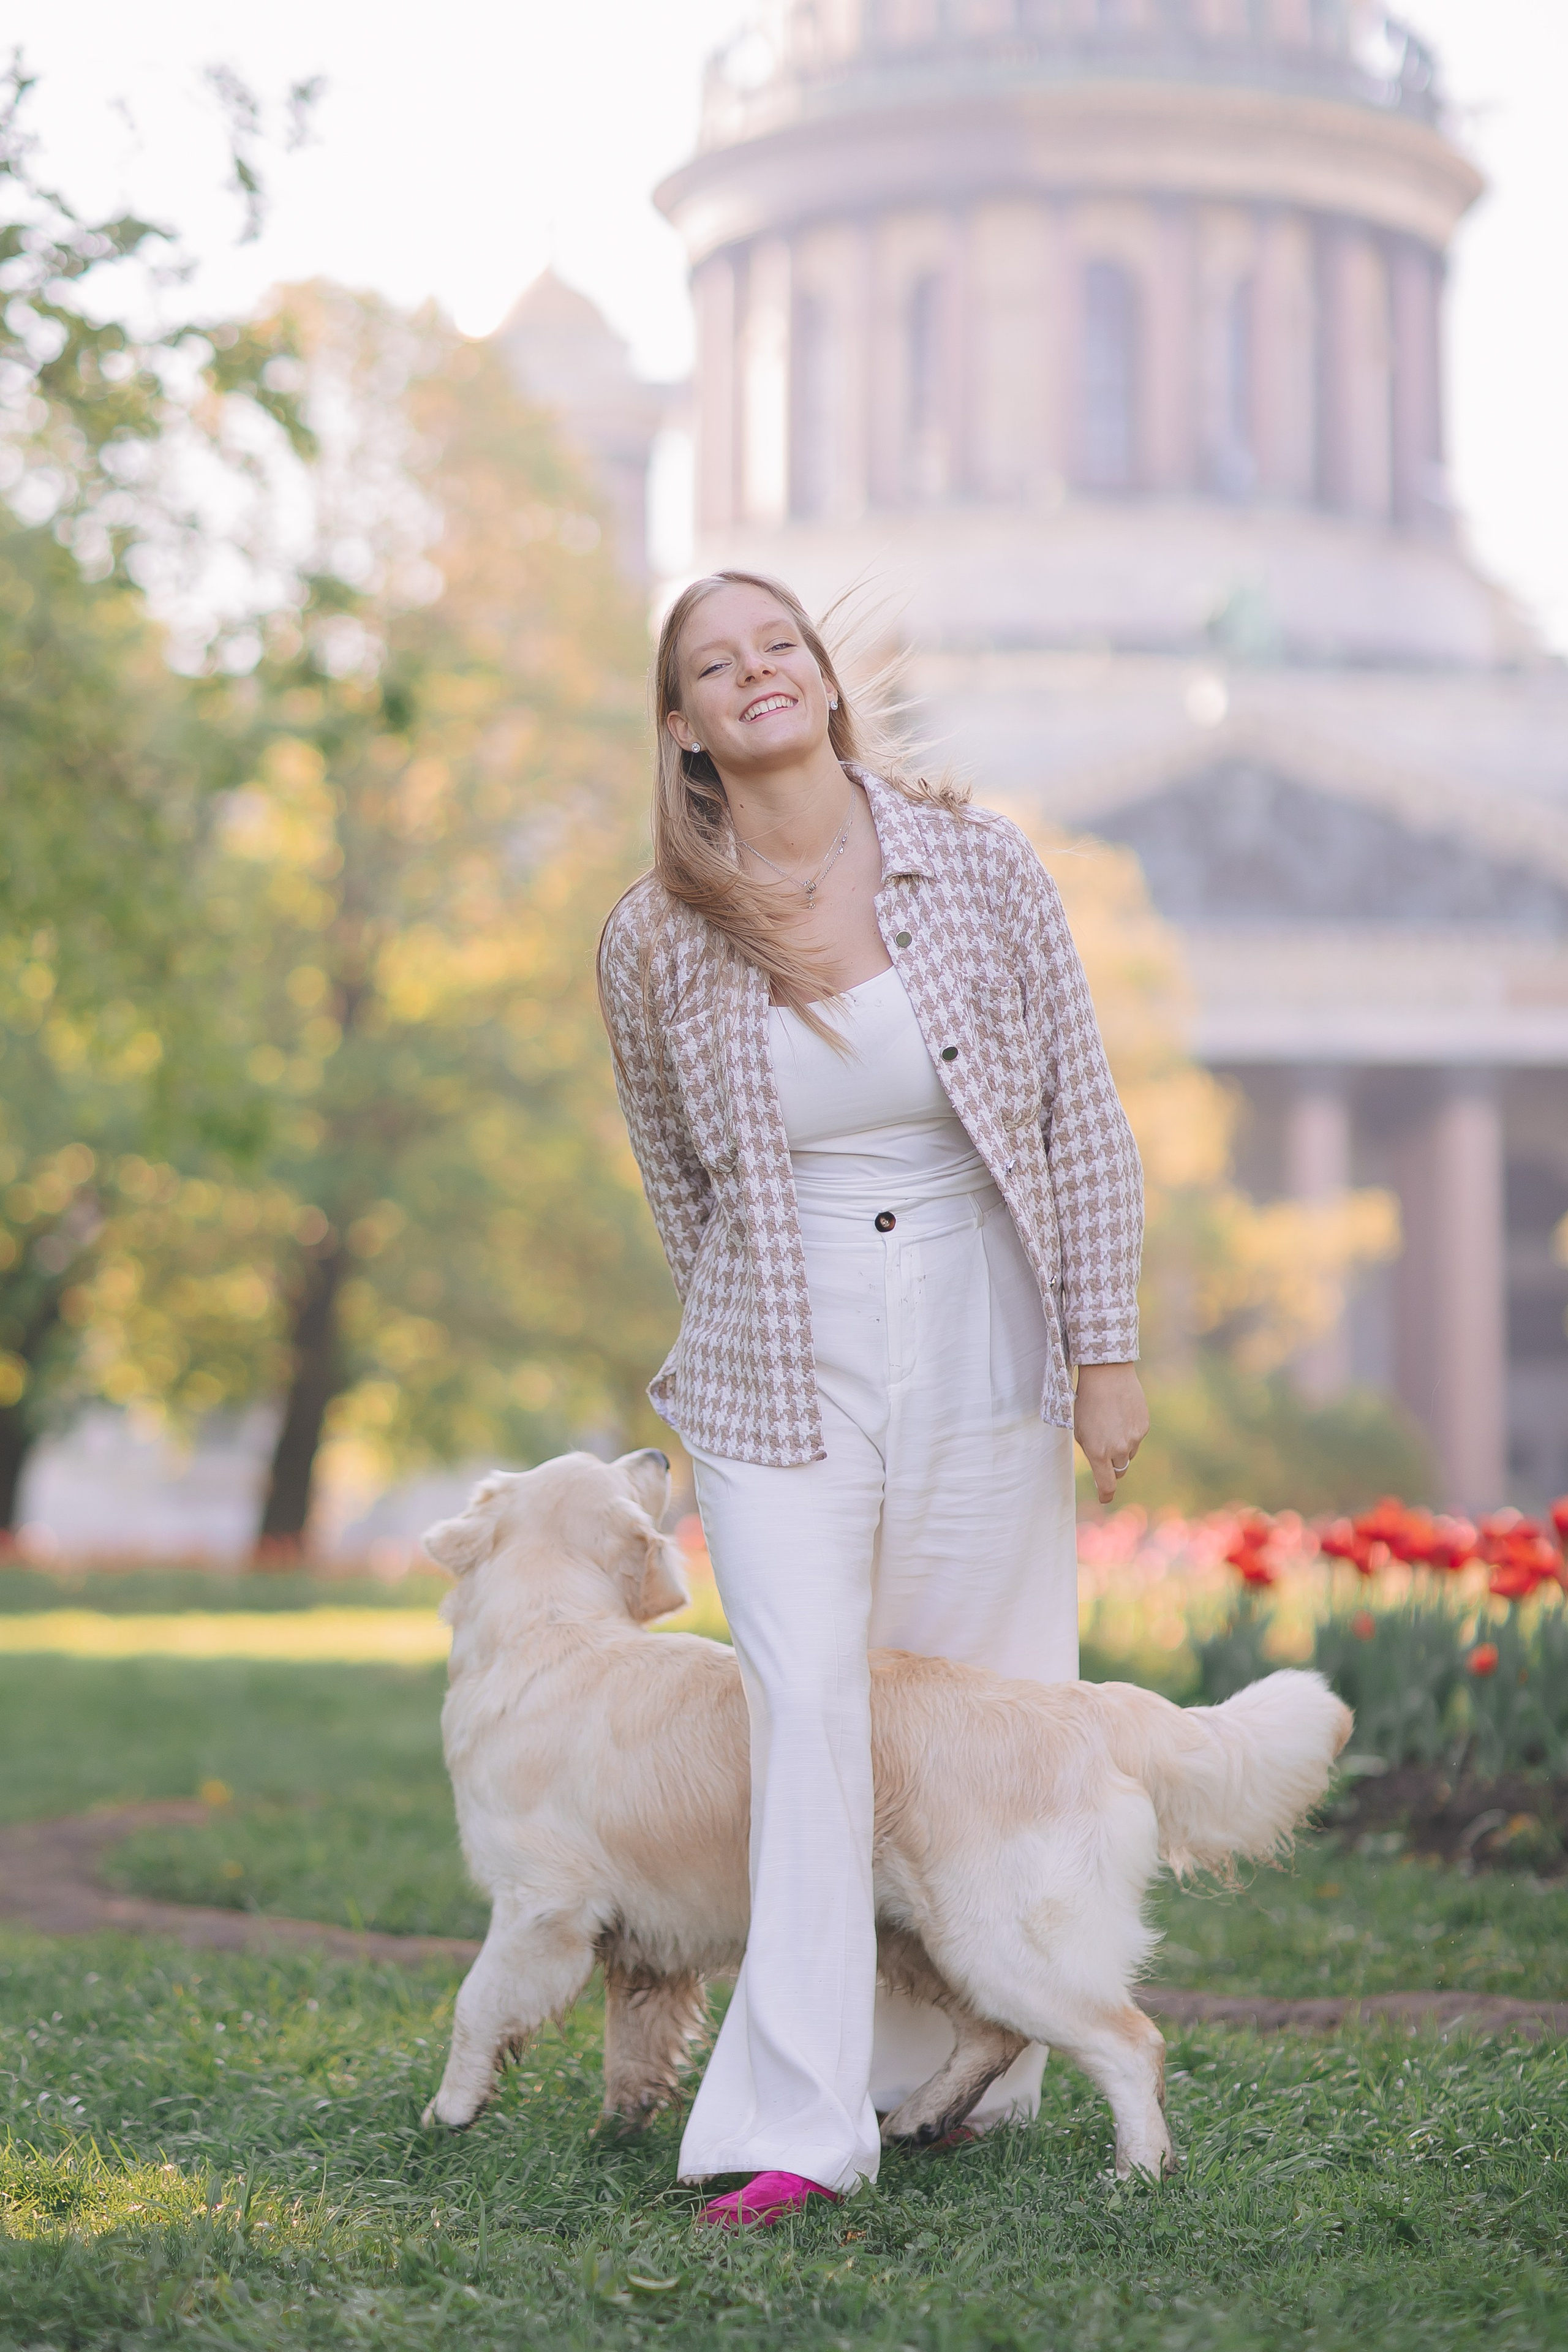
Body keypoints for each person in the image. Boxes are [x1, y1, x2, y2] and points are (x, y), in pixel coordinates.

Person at [597, 570, 1148, 2228]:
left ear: (827, 681)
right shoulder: (651, 935)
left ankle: (958, 2063)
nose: (757, 674)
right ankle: (794, 2120)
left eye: (781, 646)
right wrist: (754, 1306)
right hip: (782, 1341)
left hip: (981, 1310)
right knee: (808, 1701)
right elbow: (675, 1175)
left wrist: (1103, 1352)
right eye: (717, 665)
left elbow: (1079, 1113)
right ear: (684, 724)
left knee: (973, 1695)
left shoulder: (978, 863)